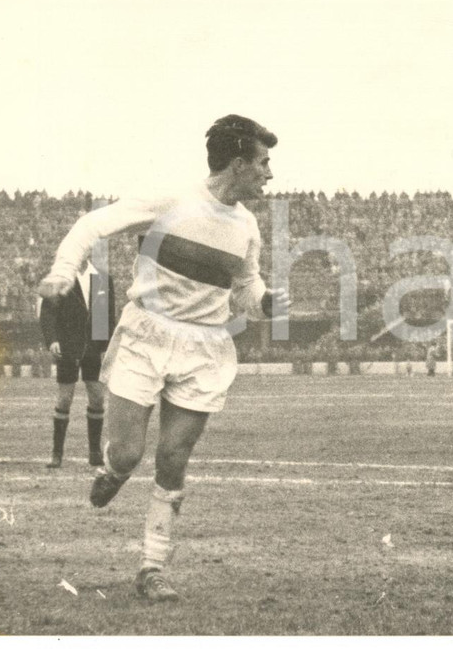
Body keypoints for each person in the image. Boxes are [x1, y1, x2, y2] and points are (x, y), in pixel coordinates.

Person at [37, 114, 289, 602]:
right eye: (263, 163)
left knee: (173, 458)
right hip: (146, 335)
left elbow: (245, 286)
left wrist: (265, 301)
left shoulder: (248, 225)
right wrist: (65, 270)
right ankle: (112, 470)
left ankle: (152, 568)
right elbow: (93, 223)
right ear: (238, 164)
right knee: (129, 454)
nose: (269, 174)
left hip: (205, 346)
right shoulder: (172, 200)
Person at [38, 260, 118, 468]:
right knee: (65, 398)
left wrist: (107, 346)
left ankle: (94, 452)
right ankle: (57, 454)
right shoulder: (61, 279)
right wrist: (53, 339)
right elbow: (48, 313)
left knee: (98, 397)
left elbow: (109, 317)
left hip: (93, 347)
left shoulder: (102, 279)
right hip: (68, 346)